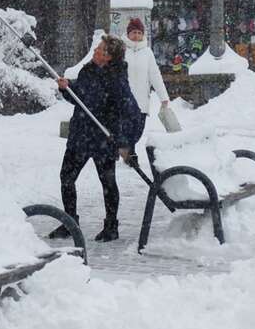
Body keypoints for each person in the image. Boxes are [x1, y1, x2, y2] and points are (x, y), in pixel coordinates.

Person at [50, 35, 142, 242]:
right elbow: (81, 96)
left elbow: (130, 112)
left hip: (104, 139)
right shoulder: (88, 70)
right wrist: (68, 88)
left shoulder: (117, 79)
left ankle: (111, 226)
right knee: (66, 178)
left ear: (108, 57)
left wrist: (125, 142)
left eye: (99, 49)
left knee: (108, 182)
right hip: (81, 136)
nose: (94, 52)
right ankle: (69, 222)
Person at [124, 18, 170, 132]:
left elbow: (155, 75)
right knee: (124, 137)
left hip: (141, 103)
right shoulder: (121, 50)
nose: (136, 35)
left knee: (137, 133)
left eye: (139, 33)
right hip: (123, 103)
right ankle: (129, 150)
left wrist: (163, 97)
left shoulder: (147, 52)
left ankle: (129, 150)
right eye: (134, 32)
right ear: (128, 33)